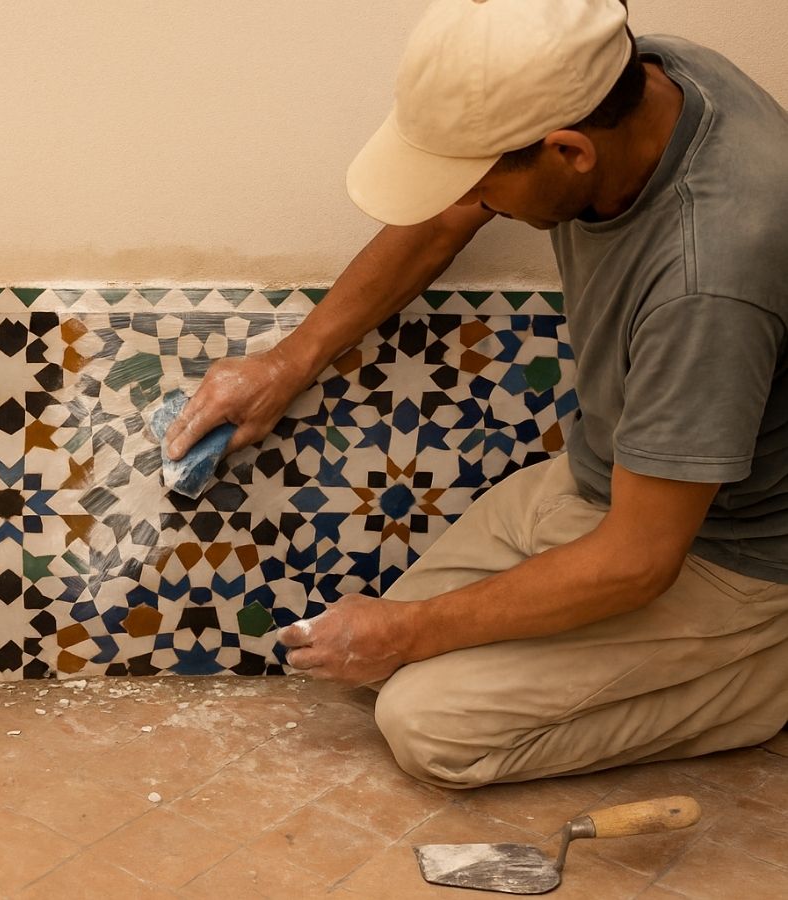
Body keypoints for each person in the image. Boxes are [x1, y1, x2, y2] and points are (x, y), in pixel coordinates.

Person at [166, 0, 788, 788]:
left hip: (727, 556)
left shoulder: (713, 273)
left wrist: (413, 630)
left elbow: (638, 561)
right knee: (383, 664)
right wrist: (288, 362)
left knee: (429, 726)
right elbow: (448, 213)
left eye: (488, 189)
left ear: (568, 152)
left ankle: (758, 676)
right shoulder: (634, 81)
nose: (474, 204)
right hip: (599, 478)